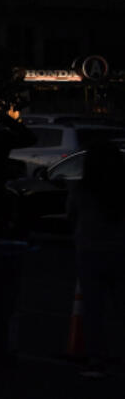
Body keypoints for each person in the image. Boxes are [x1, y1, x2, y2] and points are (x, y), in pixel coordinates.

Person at [66, 141, 125, 379]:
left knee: (93, 309)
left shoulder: (82, 189)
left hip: (89, 250)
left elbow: (71, 215)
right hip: (120, 250)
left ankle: (96, 358)